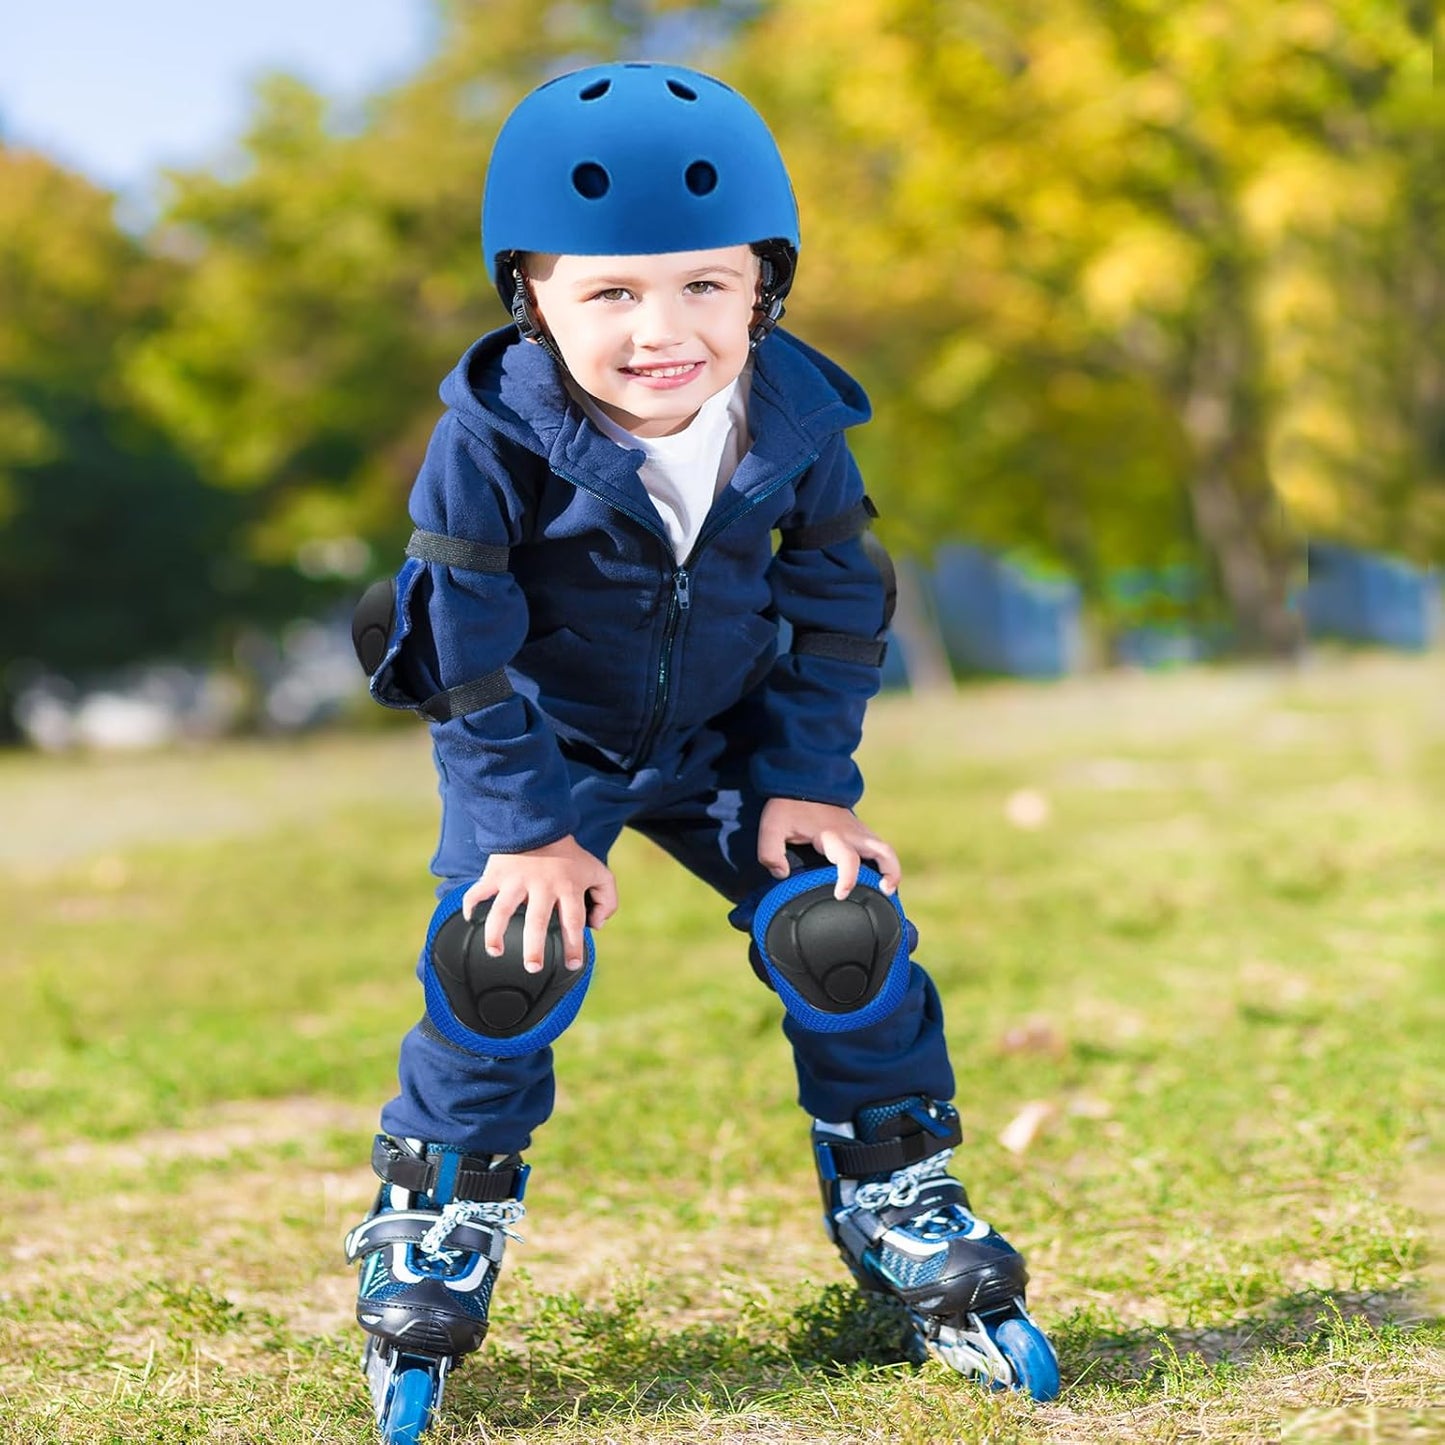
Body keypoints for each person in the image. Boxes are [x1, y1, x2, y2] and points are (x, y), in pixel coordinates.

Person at [344, 61, 1058, 1437]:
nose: (662, 330)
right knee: (506, 957)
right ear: (529, 296)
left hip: (731, 735)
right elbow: (460, 643)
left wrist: (808, 781)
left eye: (704, 286)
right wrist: (527, 830)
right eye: (610, 293)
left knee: (836, 922)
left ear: (764, 287)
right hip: (543, 744)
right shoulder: (491, 436)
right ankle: (434, 1212)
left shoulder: (793, 414)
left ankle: (894, 1184)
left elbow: (839, 599)